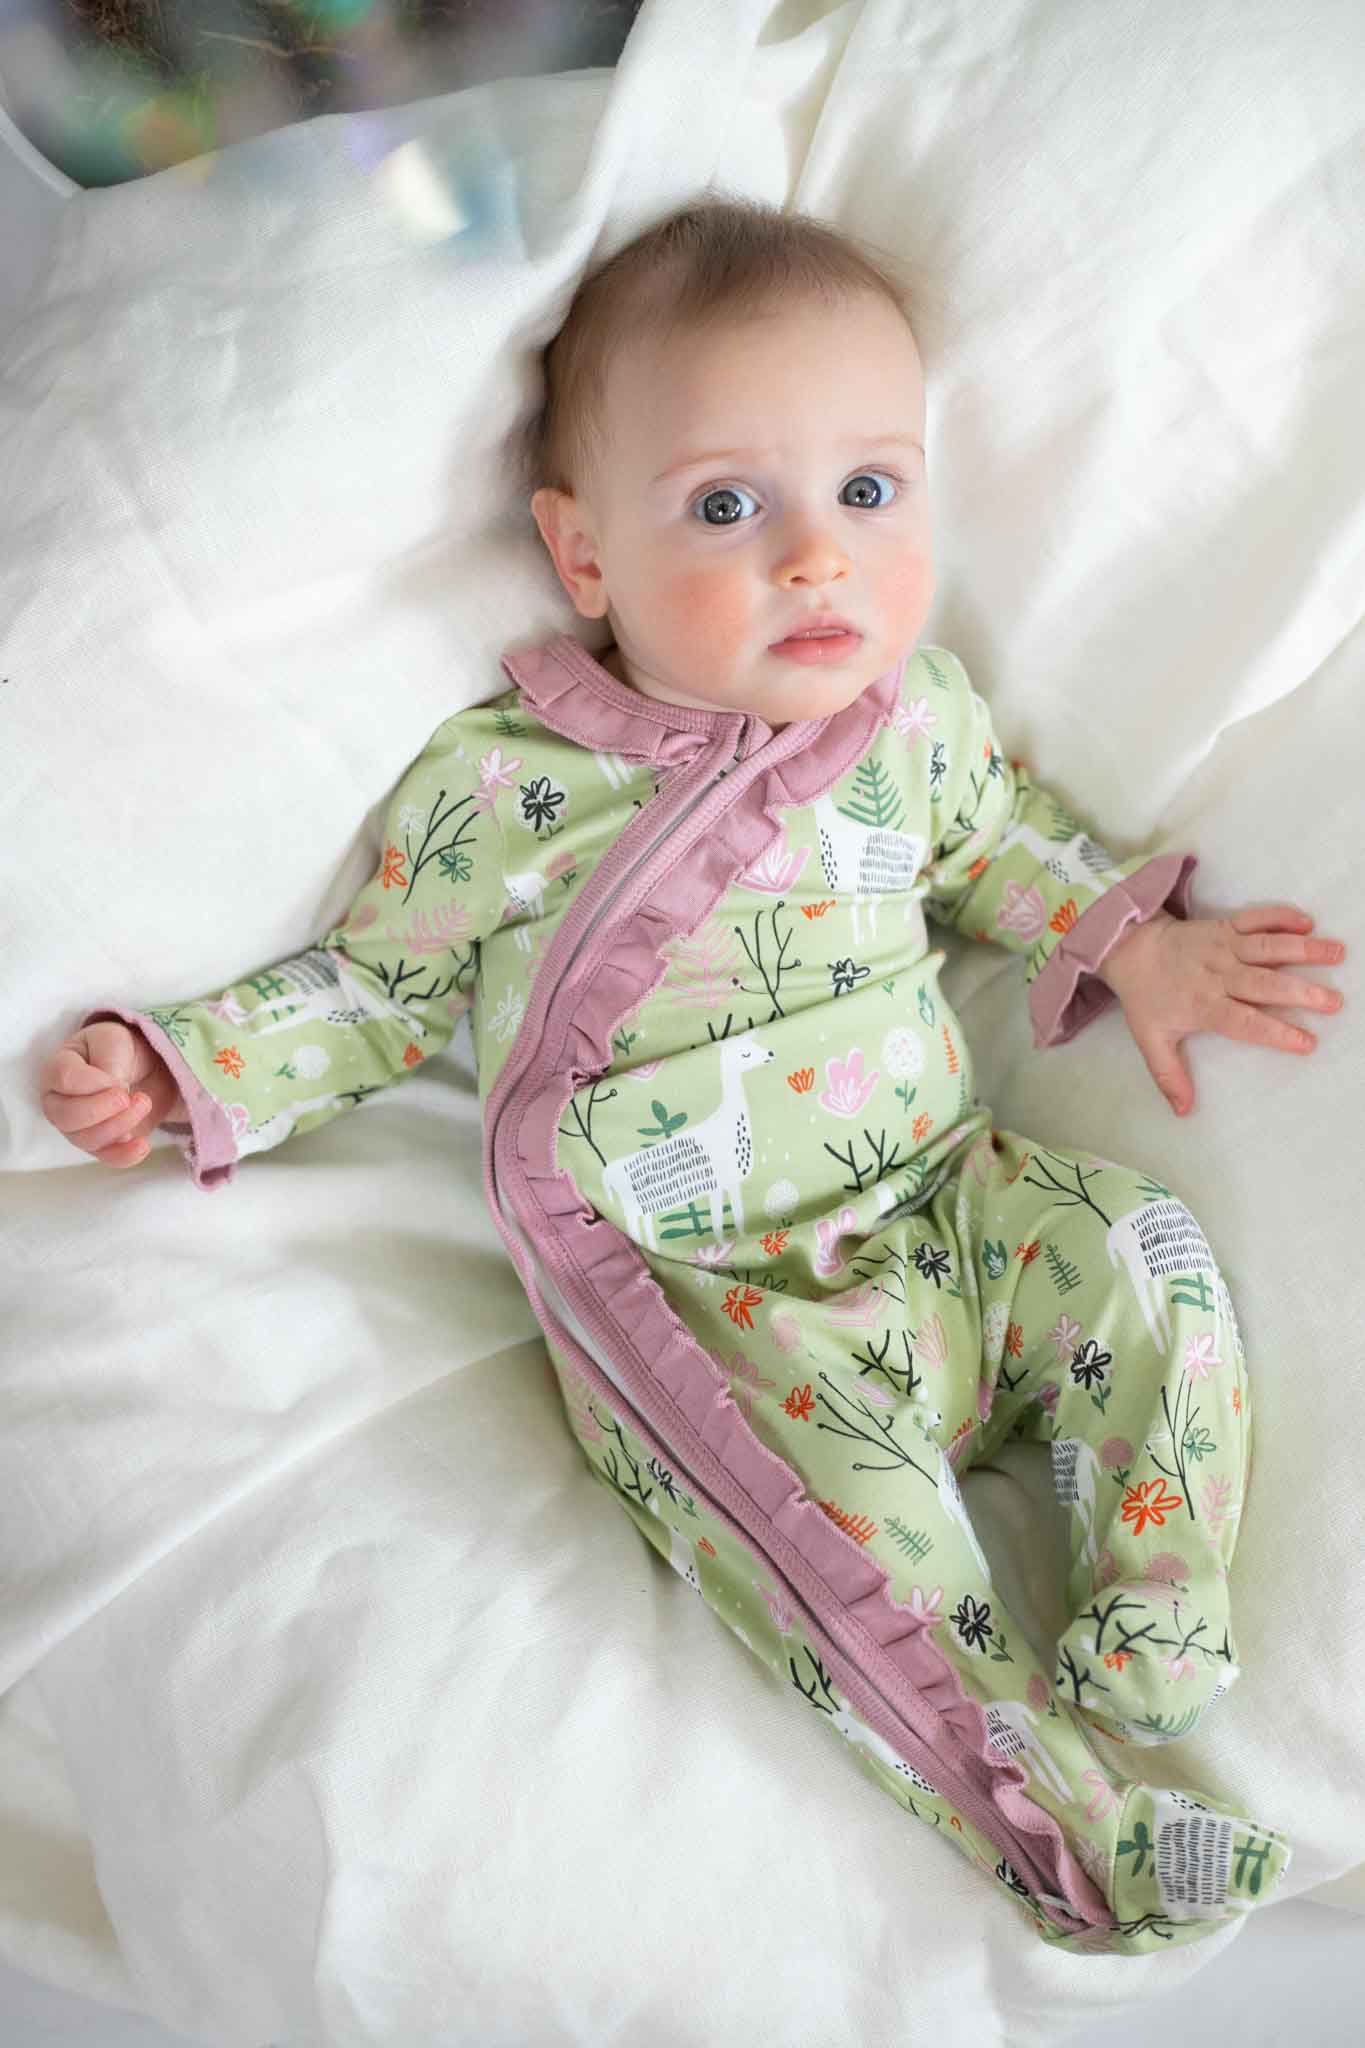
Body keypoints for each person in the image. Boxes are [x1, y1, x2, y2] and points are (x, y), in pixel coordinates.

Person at [38, 196, 1346, 1950]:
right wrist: (188, 1071)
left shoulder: (916, 719)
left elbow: (1001, 848)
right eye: (729, 507)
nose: (817, 560)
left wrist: (1132, 945)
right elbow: (376, 989)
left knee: (1142, 1249)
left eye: (867, 492)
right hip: (715, 1306)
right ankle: (1073, 1831)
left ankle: (1156, 1595)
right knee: (854, 1571)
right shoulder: (508, 785)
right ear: (583, 557)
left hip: (948, 1206)